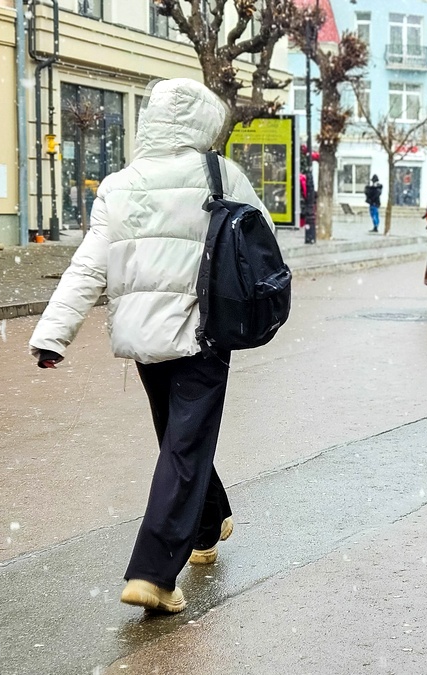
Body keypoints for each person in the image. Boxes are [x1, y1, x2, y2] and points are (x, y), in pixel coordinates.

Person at [27, 78, 271, 614]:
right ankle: (153, 575)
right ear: (206, 124)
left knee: (178, 441)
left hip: (142, 338)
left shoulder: (120, 184)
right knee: (184, 446)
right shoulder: (221, 175)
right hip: (202, 331)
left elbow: (89, 264)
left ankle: (209, 524)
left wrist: (53, 333)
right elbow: (262, 242)